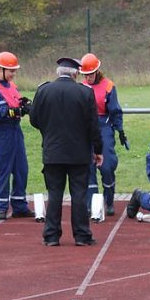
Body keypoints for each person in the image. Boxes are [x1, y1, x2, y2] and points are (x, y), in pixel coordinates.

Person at [29, 57, 103, 247]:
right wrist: (98, 150)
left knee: (54, 194)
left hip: (53, 151)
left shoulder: (43, 90)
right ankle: (82, 236)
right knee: (79, 194)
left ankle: (51, 236)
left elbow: (34, 119)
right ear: (76, 73)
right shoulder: (85, 93)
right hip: (78, 152)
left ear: (58, 72)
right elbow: (93, 126)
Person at [0, 51, 32, 220]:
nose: (13, 74)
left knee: (21, 169)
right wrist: (11, 111)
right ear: (0, 69)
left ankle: (19, 206)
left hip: (16, 131)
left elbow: (16, 105)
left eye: (14, 71)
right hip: (1, 133)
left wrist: (24, 105)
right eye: (11, 71)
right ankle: (1, 207)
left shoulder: (13, 86)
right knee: (3, 170)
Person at [79, 53, 128, 218]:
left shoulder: (108, 86)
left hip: (104, 127)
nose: (88, 78)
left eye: (90, 74)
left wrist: (120, 131)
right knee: (88, 168)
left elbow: (115, 111)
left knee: (107, 166)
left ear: (97, 71)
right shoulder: (81, 87)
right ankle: (91, 203)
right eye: (85, 75)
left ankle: (109, 201)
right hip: (85, 128)